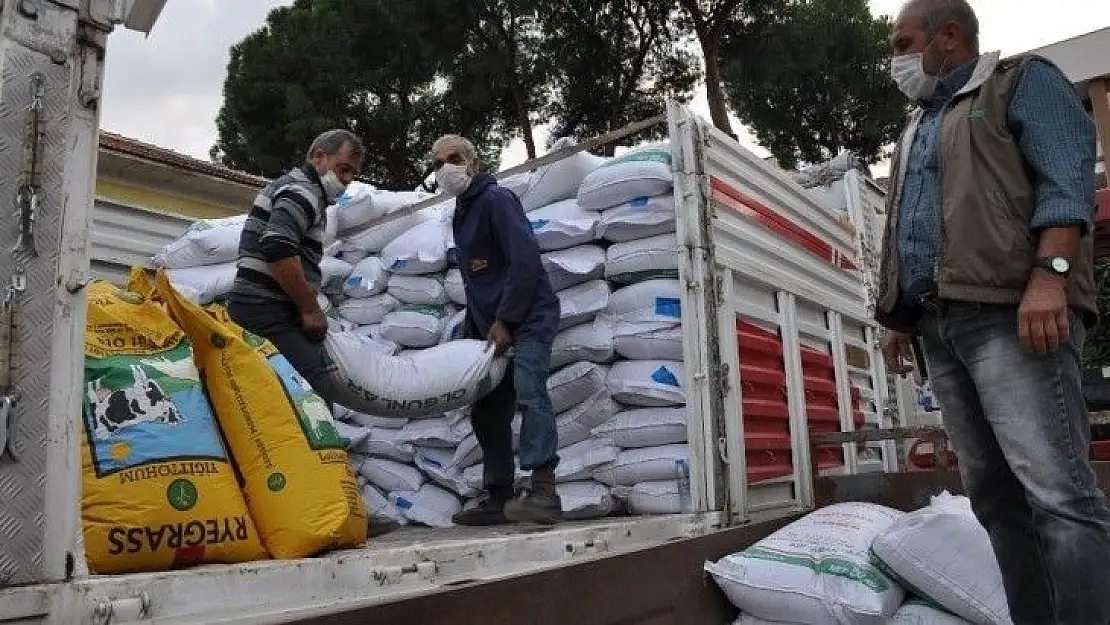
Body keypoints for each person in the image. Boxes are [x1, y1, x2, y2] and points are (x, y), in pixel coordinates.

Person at [877, 1, 1110, 622]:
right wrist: (900, 317)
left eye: (904, 42)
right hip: (940, 326)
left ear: (948, 36)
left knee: (1058, 497)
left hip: (1012, 317)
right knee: (995, 501)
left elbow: (1067, 184)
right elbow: (916, 223)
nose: (895, 58)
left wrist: (1049, 277)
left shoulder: (1022, 82)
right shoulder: (921, 121)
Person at [429, 134, 563, 526]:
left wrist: (506, 320)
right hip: (491, 325)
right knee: (487, 409)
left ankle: (543, 491)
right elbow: (476, 282)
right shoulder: (462, 212)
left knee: (528, 390)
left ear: (472, 161)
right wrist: (477, 333)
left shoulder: (497, 200)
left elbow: (524, 262)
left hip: (530, 315)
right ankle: (499, 495)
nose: (445, 169)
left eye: (452, 159)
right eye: (438, 164)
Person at [227, 129, 368, 410]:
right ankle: (318, 455)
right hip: (264, 308)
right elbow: (277, 247)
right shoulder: (303, 191)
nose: (347, 180)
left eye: (352, 174)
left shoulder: (299, 188)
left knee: (277, 397)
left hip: (258, 307)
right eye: (342, 169)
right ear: (319, 158)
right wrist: (309, 308)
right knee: (313, 392)